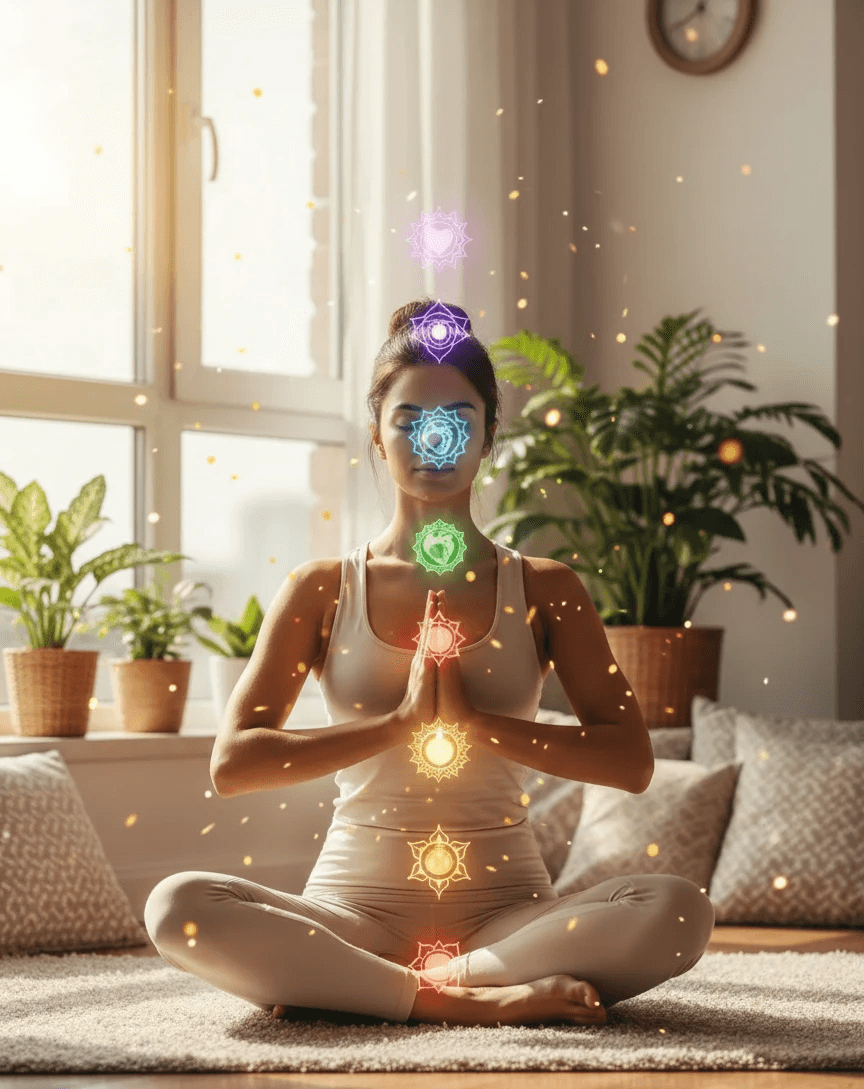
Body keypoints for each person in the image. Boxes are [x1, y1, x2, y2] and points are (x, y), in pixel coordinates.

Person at [144, 298, 715, 1028]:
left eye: (458, 420)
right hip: (353, 909)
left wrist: (476, 724)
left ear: (487, 437)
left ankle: (388, 987)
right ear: (377, 439)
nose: (432, 440)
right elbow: (235, 763)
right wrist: (400, 725)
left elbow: (629, 760)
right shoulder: (321, 589)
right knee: (179, 907)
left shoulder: (546, 587)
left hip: (507, 916)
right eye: (408, 419)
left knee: (677, 909)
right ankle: (460, 1000)